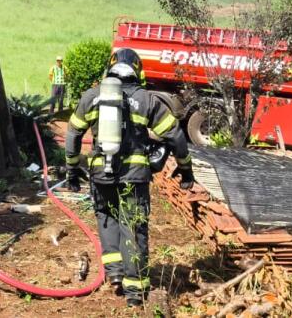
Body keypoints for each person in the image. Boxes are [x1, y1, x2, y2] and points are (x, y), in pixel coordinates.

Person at [64, 48, 195, 307]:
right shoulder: (146, 100)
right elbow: (176, 136)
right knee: (133, 226)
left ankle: (115, 275)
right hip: (134, 177)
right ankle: (135, 292)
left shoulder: (91, 97)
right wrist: (185, 168)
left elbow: (72, 134)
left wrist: (72, 170)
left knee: (107, 218)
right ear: (138, 70)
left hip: (101, 175)